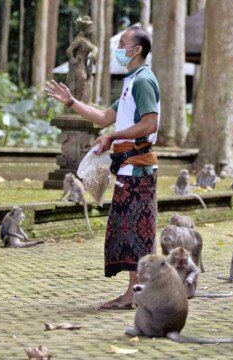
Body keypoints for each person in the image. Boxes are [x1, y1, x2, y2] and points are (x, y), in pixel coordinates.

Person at [46, 25, 160, 310]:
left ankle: (136, 294)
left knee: (136, 231)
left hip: (138, 167)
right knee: (127, 229)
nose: (118, 49)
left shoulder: (144, 80)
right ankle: (135, 292)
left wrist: (113, 137)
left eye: (122, 43)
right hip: (126, 166)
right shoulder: (130, 81)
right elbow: (103, 118)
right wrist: (71, 102)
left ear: (136, 50)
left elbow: (150, 123)